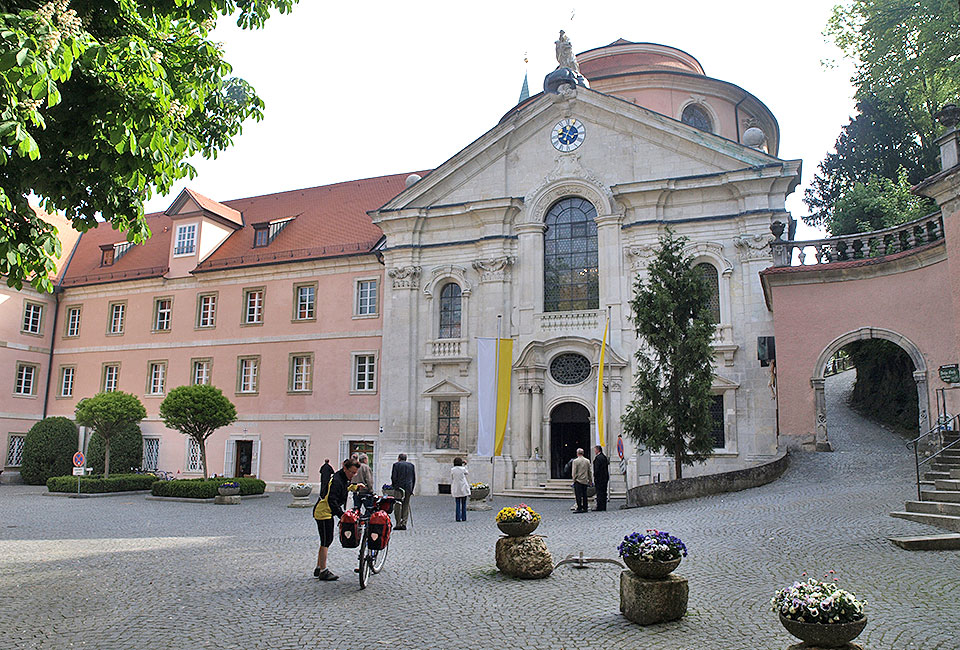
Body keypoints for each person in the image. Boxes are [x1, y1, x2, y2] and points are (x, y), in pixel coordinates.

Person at [313, 459, 364, 581]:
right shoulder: (336, 480)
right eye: (352, 472)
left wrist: (355, 487)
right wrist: (342, 516)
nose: (353, 475)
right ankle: (323, 571)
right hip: (323, 512)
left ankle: (318, 567)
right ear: (345, 468)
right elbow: (332, 501)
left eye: (355, 473)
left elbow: (345, 487)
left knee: (325, 540)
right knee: (326, 540)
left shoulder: (342, 478)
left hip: (326, 511)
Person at [390, 453, 416, 530]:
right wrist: (412, 489)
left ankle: (398, 523)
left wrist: (394, 486)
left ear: (399, 458)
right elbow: (414, 478)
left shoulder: (396, 465)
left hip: (399, 488)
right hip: (408, 488)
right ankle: (404, 522)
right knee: (406, 505)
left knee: (397, 505)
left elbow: (393, 477)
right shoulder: (411, 465)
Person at [570, 448, 592, 513]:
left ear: (577, 453)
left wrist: (574, 479)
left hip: (578, 480)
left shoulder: (575, 461)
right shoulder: (587, 461)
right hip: (585, 480)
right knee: (585, 495)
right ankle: (585, 507)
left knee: (578, 495)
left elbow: (574, 472)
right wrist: (590, 480)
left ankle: (579, 507)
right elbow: (589, 471)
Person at [450, 457, 469, 522]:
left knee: (457, 503)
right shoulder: (463, 469)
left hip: (456, 487)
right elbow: (467, 472)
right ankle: (464, 517)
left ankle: (458, 518)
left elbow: (452, 477)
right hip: (463, 486)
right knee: (464, 503)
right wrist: (465, 465)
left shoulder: (452, 469)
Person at [593, 445, 610, 511]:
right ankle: (603, 506)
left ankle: (599, 507)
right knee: (604, 492)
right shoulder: (604, 457)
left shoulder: (598, 458)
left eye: (595, 450)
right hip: (605, 478)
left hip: (599, 478)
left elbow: (596, 469)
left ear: (598, 450)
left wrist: (595, 477)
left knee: (599, 493)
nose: (594, 451)